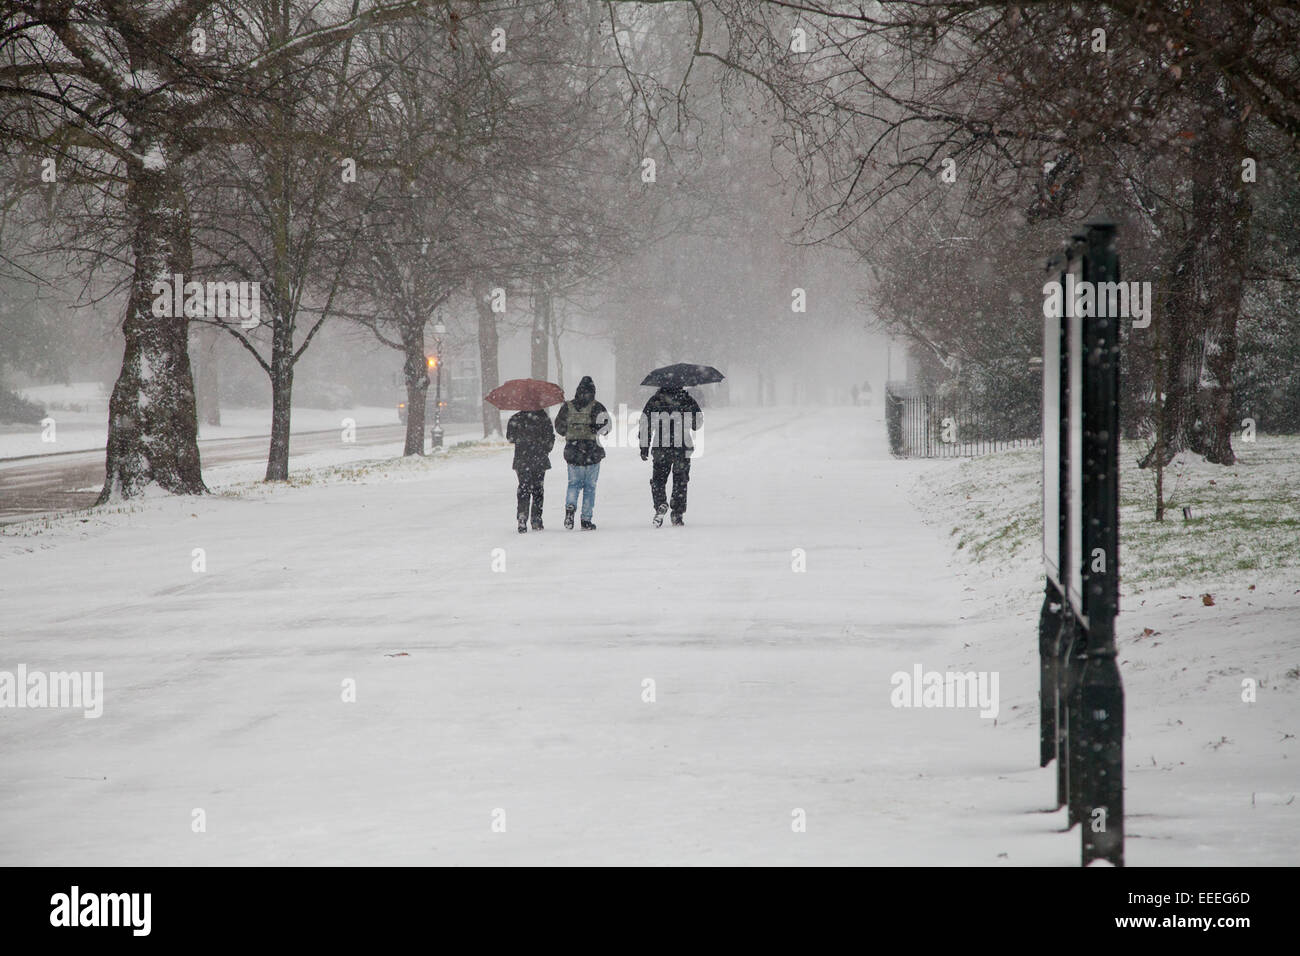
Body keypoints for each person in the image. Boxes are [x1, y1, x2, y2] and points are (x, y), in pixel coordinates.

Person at [638, 384, 703, 527]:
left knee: (658, 480)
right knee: (681, 480)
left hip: (661, 448)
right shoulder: (687, 400)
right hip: (682, 448)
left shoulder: (655, 400)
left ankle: (660, 503)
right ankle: (677, 513)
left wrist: (644, 446)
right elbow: (697, 424)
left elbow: (645, 424)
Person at [554, 376, 610, 530]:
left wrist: (570, 432)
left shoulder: (568, 406)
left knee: (573, 484)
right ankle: (586, 519)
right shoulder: (597, 407)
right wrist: (594, 429)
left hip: (572, 451)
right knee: (589, 487)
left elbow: (559, 427)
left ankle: (570, 508)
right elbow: (606, 428)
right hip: (592, 452)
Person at [506, 408, 555, 533]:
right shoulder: (543, 417)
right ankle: (536, 519)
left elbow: (510, 438)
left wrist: (522, 438)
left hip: (521, 459)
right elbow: (550, 437)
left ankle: (522, 516)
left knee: (523, 487)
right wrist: (545, 449)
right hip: (539, 459)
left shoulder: (515, 418)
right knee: (538, 489)